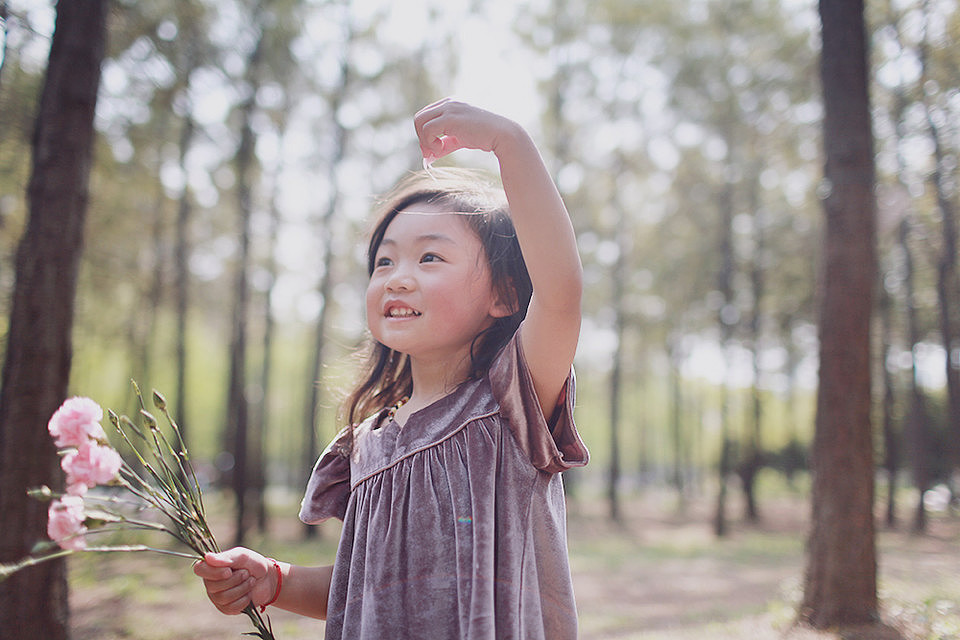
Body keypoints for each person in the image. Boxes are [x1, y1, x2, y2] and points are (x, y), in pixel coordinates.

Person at [194, 98, 589, 639]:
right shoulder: (367, 445)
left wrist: (509, 144)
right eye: (385, 261)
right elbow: (366, 588)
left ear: (503, 295)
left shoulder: (511, 403)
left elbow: (561, 290)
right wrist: (275, 580)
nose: (397, 278)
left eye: (430, 257)